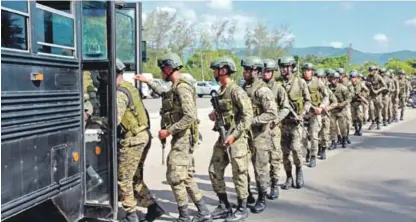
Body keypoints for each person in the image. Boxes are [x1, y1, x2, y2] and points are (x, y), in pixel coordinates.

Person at [135, 53, 211, 222]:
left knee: (175, 177)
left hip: (184, 138)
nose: (161, 72)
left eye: (162, 69)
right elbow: (164, 92)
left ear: (169, 69)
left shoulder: (182, 87)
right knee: (186, 176)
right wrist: (148, 81)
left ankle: (184, 216)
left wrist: (168, 131)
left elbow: (190, 116)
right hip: (181, 138)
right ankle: (204, 212)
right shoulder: (174, 86)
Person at [116, 59, 164, 222]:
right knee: (135, 177)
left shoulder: (120, 93)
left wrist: (98, 120)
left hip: (133, 139)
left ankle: (130, 215)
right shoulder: (130, 87)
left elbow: (115, 119)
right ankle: (152, 207)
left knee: (124, 178)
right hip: (143, 135)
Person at [208, 56, 253, 222]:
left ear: (223, 70)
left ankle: (242, 208)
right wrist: (215, 114)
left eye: (215, 70)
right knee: (214, 170)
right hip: (223, 136)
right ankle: (224, 205)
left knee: (239, 174)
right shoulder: (221, 90)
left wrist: (234, 135)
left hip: (237, 139)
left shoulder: (236, 90)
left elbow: (248, 116)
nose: (213, 72)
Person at [241, 56, 278, 213]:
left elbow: (271, 113)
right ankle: (247, 194)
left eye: (249, 70)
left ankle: (262, 197)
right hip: (245, 135)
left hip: (260, 136)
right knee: (242, 167)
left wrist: (253, 120)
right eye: (245, 70)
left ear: (256, 72)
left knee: (260, 168)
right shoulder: (243, 88)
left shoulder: (262, 90)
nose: (245, 73)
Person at [276, 56, 312, 190]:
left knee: (296, 149)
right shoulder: (278, 83)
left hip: (296, 123)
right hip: (282, 123)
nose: (284, 70)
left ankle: (299, 170)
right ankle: (288, 176)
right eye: (282, 67)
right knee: (284, 153)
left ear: (292, 67)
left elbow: (308, 101)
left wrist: (302, 114)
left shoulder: (300, 82)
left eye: (286, 67)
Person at [262, 58, 290, 200]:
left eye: (268, 71)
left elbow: (286, 107)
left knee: (275, 157)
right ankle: (263, 183)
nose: (265, 73)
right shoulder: (257, 86)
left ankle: (274, 184)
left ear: (273, 72)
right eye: (263, 71)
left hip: (273, 128)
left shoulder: (278, 88)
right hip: (259, 129)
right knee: (260, 159)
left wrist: (276, 119)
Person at [301, 63, 329, 168]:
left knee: (314, 136)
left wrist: (321, 107)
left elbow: (326, 96)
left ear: (312, 71)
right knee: (303, 137)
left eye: (308, 70)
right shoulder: (299, 82)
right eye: (304, 70)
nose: (306, 72)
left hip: (315, 113)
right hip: (303, 113)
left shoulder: (318, 82)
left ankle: (313, 156)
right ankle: (308, 150)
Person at [316, 69, 338, 158]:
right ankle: (316, 148)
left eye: (322, 78)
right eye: (318, 78)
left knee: (325, 134)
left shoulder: (327, 90)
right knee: (315, 134)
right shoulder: (311, 89)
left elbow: (335, 102)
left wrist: (328, 107)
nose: (320, 80)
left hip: (325, 115)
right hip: (315, 115)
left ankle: (323, 149)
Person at [327, 71, 352, 148]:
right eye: (332, 79)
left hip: (341, 110)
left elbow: (349, 98)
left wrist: (343, 104)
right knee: (332, 127)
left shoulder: (343, 88)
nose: (333, 80)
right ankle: (333, 142)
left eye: (335, 79)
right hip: (332, 110)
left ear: (338, 79)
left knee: (343, 127)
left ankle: (344, 140)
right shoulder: (328, 88)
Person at [365, 66, 387, 130]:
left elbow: (385, 86)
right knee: (371, 109)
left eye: (372, 70)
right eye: (370, 71)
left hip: (378, 95)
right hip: (371, 95)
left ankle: (378, 122)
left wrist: (378, 91)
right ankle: (373, 122)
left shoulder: (379, 77)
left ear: (375, 71)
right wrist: (367, 84)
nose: (370, 72)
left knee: (378, 109)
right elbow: (365, 83)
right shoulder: (368, 77)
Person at [350, 70, 369, 136]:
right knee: (353, 118)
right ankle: (356, 130)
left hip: (359, 102)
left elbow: (367, 91)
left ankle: (360, 129)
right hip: (352, 102)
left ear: (357, 77)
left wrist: (363, 96)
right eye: (351, 77)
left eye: (354, 77)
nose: (353, 79)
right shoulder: (349, 85)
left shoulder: (361, 83)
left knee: (360, 117)